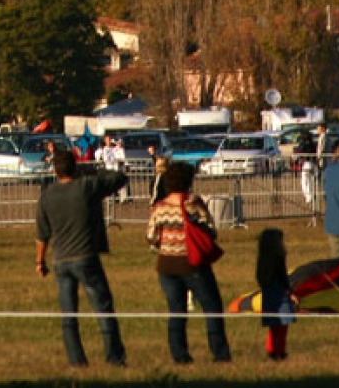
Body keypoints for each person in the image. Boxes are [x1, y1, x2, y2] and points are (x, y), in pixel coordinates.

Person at [36, 149, 127, 368]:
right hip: (85, 256)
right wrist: (93, 169)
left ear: (55, 170)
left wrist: (40, 261)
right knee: (102, 308)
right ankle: (114, 357)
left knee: (68, 314)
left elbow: (42, 234)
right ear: (75, 167)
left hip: (60, 259)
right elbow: (119, 178)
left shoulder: (47, 195)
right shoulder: (85, 187)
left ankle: (76, 360)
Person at [146, 162, 230, 364]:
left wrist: (166, 244)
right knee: (211, 307)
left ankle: (180, 355)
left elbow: (151, 236)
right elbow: (211, 229)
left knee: (176, 310)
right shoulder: (193, 203)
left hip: (167, 265)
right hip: (193, 264)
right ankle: (219, 354)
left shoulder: (160, 207)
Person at [257, 227, 296, 361]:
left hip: (269, 294)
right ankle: (278, 349)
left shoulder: (262, 260)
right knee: (283, 324)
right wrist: (289, 291)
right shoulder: (278, 259)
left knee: (274, 325)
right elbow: (282, 278)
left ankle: (272, 349)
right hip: (279, 294)